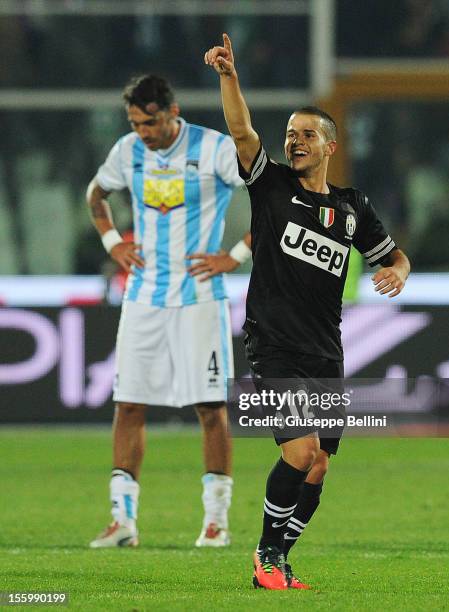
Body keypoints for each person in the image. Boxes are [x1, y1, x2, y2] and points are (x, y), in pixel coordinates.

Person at [205, 34, 410, 589]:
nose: (294, 142)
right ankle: (266, 557)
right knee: (300, 450)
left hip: (325, 348)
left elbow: (395, 256)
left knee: (318, 464)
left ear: (329, 146)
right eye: (290, 134)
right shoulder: (269, 185)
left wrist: (398, 271)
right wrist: (229, 76)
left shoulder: (352, 207)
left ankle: (278, 556)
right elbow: (242, 131)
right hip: (273, 342)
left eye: (306, 135)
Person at [87, 74, 251, 548]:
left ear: (172, 112)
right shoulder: (127, 151)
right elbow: (96, 195)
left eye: (151, 122)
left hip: (199, 296)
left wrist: (234, 257)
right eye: (136, 123)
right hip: (142, 297)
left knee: (209, 407)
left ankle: (215, 521)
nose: (144, 132)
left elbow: (270, 197)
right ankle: (123, 521)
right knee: (129, 403)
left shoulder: (213, 149)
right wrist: (114, 242)